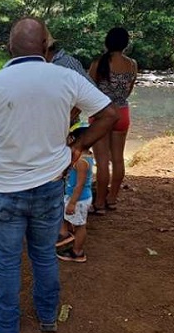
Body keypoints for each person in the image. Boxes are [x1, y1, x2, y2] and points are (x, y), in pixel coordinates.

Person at [0, 17, 118, 333]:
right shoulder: (66, 77)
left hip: (4, 190)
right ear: (44, 46)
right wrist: (79, 146)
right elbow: (109, 115)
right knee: (43, 255)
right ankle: (48, 317)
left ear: (10, 47)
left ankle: (6, 331)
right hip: (50, 188)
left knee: (7, 264)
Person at [89, 27, 138, 214]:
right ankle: (113, 199)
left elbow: (89, 90)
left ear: (107, 42)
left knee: (102, 161)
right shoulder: (132, 64)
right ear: (125, 44)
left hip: (102, 113)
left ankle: (99, 203)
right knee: (118, 158)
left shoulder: (98, 63)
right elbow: (129, 91)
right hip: (122, 113)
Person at [56, 123, 94, 263]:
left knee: (80, 225)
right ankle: (64, 234)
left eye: (71, 139)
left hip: (78, 198)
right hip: (76, 196)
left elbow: (80, 184)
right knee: (67, 216)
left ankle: (77, 252)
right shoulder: (86, 155)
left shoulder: (82, 162)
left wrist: (72, 202)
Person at [44, 32, 94, 126]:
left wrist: (70, 116)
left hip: (67, 127)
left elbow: (91, 90)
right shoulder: (44, 66)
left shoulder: (66, 63)